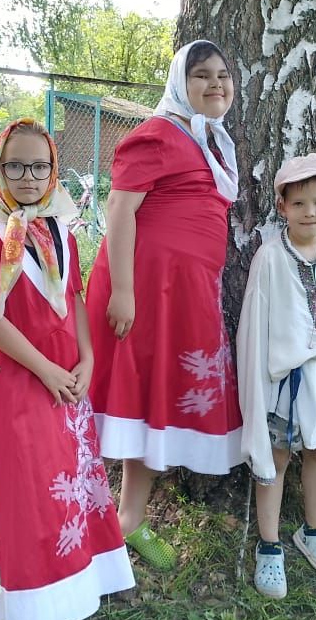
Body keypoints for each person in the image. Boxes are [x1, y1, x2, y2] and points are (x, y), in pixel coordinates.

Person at [0, 118, 134, 620]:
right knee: (28, 489)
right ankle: (29, 604)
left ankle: (84, 580)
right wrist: (47, 370)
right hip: (21, 380)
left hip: (68, 378)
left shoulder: (63, 225)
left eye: (40, 166)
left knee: (72, 482)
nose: (29, 176)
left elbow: (76, 299)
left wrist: (86, 359)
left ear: (54, 168)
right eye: (16, 165)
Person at [85, 40, 245, 570]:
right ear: (181, 82)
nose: (216, 84)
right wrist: (125, 291)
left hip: (186, 294)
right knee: (137, 393)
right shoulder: (158, 134)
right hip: (147, 291)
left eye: (223, 75)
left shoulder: (212, 142)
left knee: (157, 400)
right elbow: (120, 209)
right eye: (202, 75)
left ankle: (130, 519)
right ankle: (101, 520)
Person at [236, 154, 316, 598]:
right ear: (283, 207)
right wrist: (259, 384)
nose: (311, 212)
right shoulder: (270, 258)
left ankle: (313, 530)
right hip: (285, 384)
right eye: (301, 202)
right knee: (278, 457)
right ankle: (269, 544)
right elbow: (255, 327)